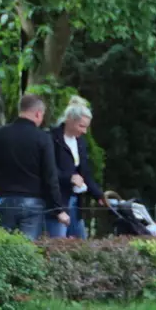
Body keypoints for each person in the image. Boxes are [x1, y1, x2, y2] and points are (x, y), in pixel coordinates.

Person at [0, 94, 69, 239]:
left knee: (2, 248)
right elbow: (50, 176)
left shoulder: (1, 134)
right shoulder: (43, 138)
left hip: (4, 200)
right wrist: (58, 209)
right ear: (38, 113)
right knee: (26, 251)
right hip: (32, 203)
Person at [45, 95, 105, 239]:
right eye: (81, 126)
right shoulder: (51, 139)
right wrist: (69, 178)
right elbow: (47, 171)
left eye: (86, 127)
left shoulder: (80, 142)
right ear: (70, 120)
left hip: (75, 201)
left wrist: (98, 194)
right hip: (57, 201)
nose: (84, 131)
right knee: (58, 242)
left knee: (81, 242)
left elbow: (85, 173)